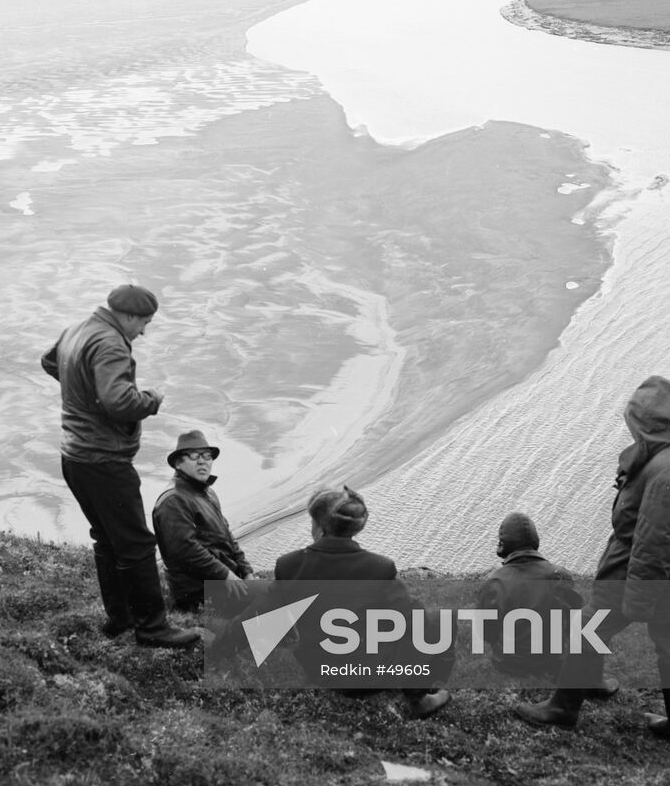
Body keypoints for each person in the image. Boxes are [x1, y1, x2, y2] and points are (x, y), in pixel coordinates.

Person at [515, 376, 670, 743]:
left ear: (647, 424)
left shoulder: (665, 472)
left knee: (588, 631)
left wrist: (640, 600)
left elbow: (656, 544)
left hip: (641, 570)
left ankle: (562, 709)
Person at [41, 284, 199, 649]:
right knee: (136, 544)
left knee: (107, 539)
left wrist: (83, 397)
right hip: (104, 460)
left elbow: (50, 362)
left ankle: (120, 619)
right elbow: (120, 401)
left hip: (74, 456)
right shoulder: (111, 343)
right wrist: (151, 400)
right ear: (127, 316)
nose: (143, 331)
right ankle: (153, 629)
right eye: (143, 322)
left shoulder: (79, 329)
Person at [273, 486, 453, 718]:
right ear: (356, 528)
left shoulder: (287, 565)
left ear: (318, 525)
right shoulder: (379, 567)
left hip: (318, 671)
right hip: (368, 676)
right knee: (419, 615)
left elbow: (274, 622)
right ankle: (419, 698)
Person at [478, 512, 618, 697]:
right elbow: (577, 624)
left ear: (503, 545)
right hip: (555, 661)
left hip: (509, 663)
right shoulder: (560, 575)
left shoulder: (493, 583)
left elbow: (487, 633)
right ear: (535, 541)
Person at [152, 430, 254, 611]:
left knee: (289, 601)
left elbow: (227, 536)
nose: (202, 461)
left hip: (223, 582)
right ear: (178, 463)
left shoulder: (206, 492)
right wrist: (226, 575)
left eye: (207, 456)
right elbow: (185, 550)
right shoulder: (173, 500)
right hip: (200, 593)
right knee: (274, 611)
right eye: (194, 455)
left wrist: (246, 570)